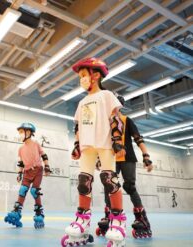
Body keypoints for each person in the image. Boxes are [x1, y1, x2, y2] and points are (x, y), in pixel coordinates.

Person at [61, 57, 125, 247]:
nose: (81, 79)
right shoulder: (82, 102)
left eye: (83, 75)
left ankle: (118, 221)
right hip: (87, 145)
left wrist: (117, 141)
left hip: (105, 143)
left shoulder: (106, 96)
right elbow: (78, 126)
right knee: (83, 181)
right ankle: (82, 220)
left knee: (109, 179)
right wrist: (76, 144)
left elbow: (116, 119)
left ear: (95, 75)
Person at [96, 95, 153, 239]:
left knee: (129, 186)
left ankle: (142, 219)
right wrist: (99, 158)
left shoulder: (127, 120)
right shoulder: (107, 123)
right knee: (109, 186)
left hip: (127, 158)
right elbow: (104, 143)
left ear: (120, 106)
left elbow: (138, 138)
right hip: (111, 159)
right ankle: (110, 216)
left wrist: (146, 156)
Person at [4, 123, 51, 229]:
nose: (20, 134)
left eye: (21, 132)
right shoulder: (20, 148)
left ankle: (39, 213)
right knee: (22, 190)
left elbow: (44, 155)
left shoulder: (36, 144)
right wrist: (19, 173)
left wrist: (47, 166)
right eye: (19, 132)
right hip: (27, 171)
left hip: (38, 170)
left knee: (34, 191)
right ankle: (17, 212)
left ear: (28, 132)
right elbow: (21, 163)